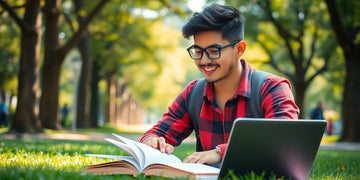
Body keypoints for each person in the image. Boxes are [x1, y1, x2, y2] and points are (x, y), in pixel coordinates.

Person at [140, 4, 299, 166]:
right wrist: (153, 142)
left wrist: (219, 152)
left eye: (214, 50)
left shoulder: (272, 88)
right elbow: (158, 133)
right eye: (198, 51)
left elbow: (284, 141)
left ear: (239, 49)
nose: (204, 61)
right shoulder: (193, 93)